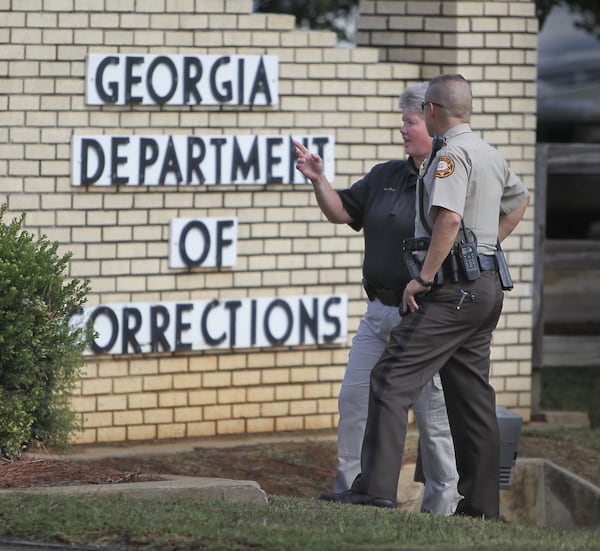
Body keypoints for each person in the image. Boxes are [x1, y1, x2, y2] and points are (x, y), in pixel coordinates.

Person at [320, 74, 531, 518]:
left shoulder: (449, 156)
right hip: (487, 288)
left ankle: (375, 488)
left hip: (452, 291)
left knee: (390, 378)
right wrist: (489, 247)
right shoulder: (489, 152)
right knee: (472, 400)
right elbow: (519, 198)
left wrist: (424, 278)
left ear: (432, 111)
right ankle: (481, 508)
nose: (406, 125)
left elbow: (449, 220)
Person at [293, 82, 461, 515]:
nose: (402, 128)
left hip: (425, 319)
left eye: (409, 121)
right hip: (379, 313)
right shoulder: (386, 175)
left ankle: (442, 508)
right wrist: (318, 179)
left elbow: (508, 206)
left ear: (431, 121)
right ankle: (350, 494)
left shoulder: (450, 173)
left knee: (432, 418)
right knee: (355, 402)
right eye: (403, 121)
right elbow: (341, 211)